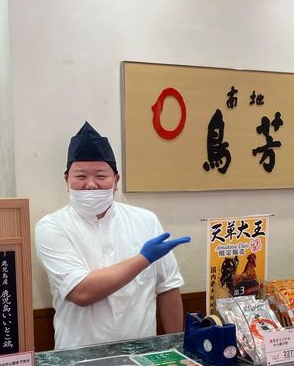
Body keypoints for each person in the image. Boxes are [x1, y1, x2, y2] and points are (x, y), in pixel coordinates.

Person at [35, 122, 190, 349]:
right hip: (78, 357)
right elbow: (81, 292)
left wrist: (178, 346)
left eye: (100, 175)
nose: (90, 185)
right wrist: (144, 258)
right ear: (66, 180)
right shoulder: (51, 227)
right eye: (80, 176)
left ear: (116, 181)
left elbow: (167, 288)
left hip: (142, 354)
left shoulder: (146, 220)